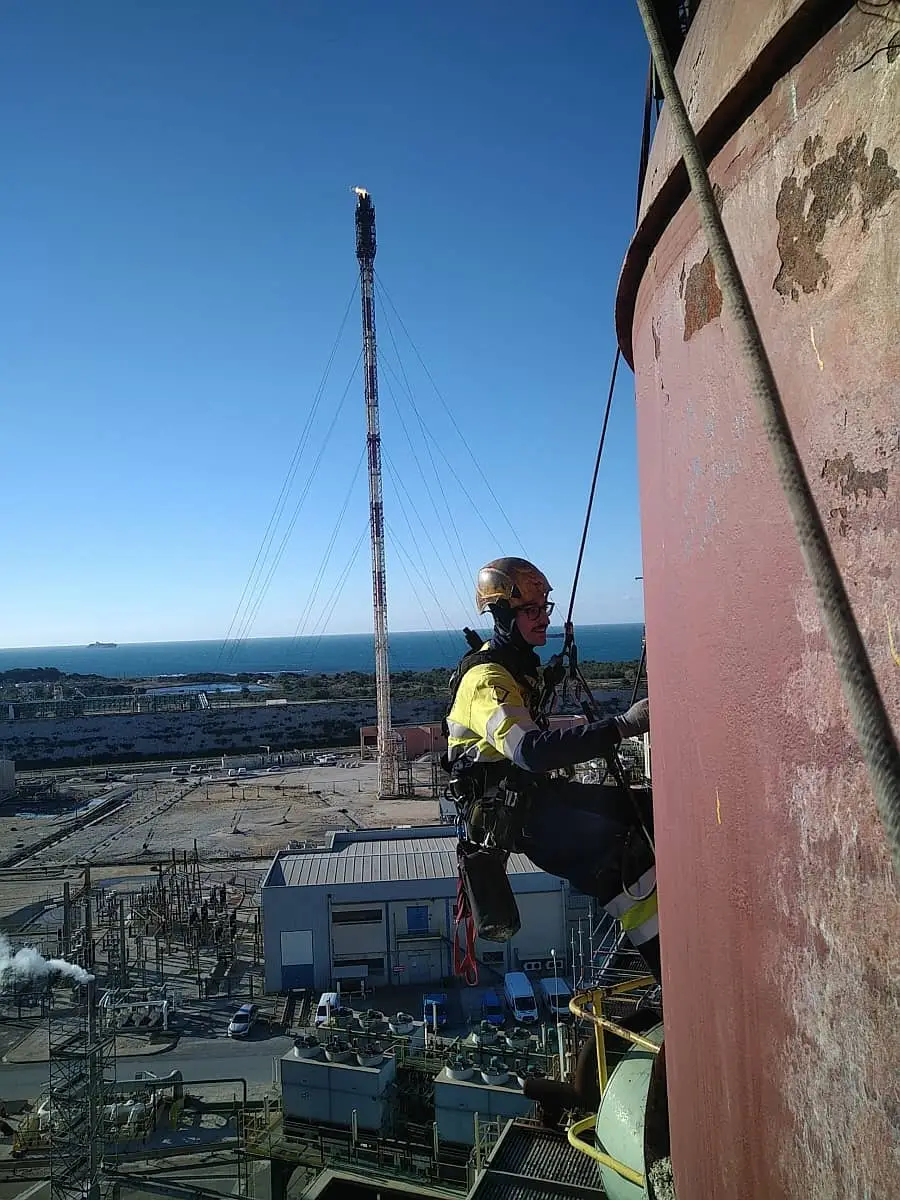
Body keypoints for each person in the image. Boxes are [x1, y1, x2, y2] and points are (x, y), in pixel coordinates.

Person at [445, 557, 660, 979]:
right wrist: (623, 726)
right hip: (520, 816)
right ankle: (673, 975)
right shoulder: (487, 681)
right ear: (502, 615)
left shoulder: (518, 669)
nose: (542, 619)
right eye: (530, 612)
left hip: (533, 799)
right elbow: (532, 751)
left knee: (650, 810)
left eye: (544, 609)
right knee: (623, 862)